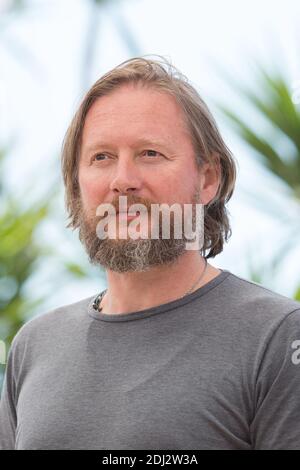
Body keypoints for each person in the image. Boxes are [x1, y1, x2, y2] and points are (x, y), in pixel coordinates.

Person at [1, 56, 300, 450]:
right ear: (76, 185)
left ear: (208, 179)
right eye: (101, 157)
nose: (123, 181)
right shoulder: (35, 346)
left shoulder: (277, 337)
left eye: (150, 154)